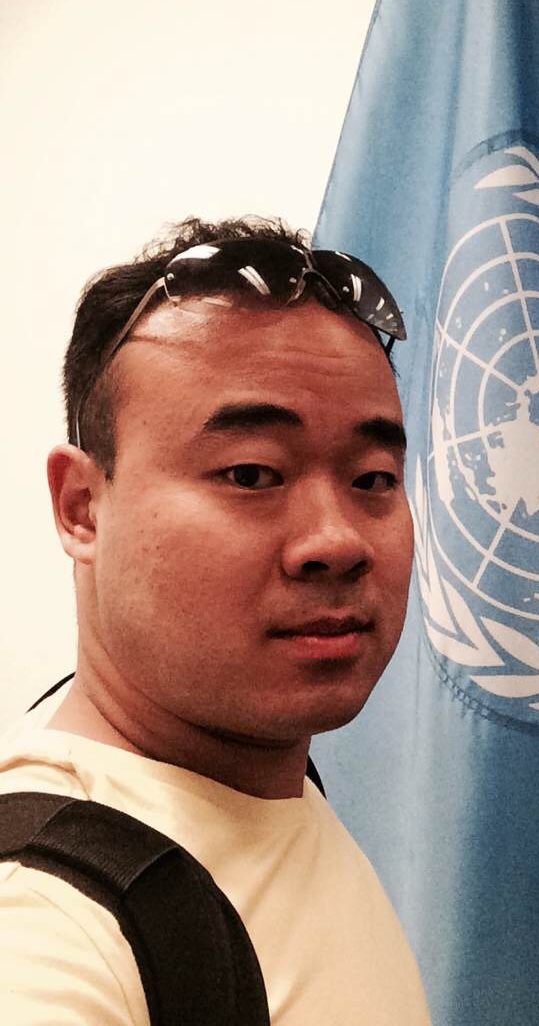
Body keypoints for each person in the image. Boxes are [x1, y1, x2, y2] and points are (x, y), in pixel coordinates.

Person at [0, 216, 431, 1024]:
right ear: (82, 506)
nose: (336, 541)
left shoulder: (261, 778)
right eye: (252, 474)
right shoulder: (48, 923)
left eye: (373, 478)